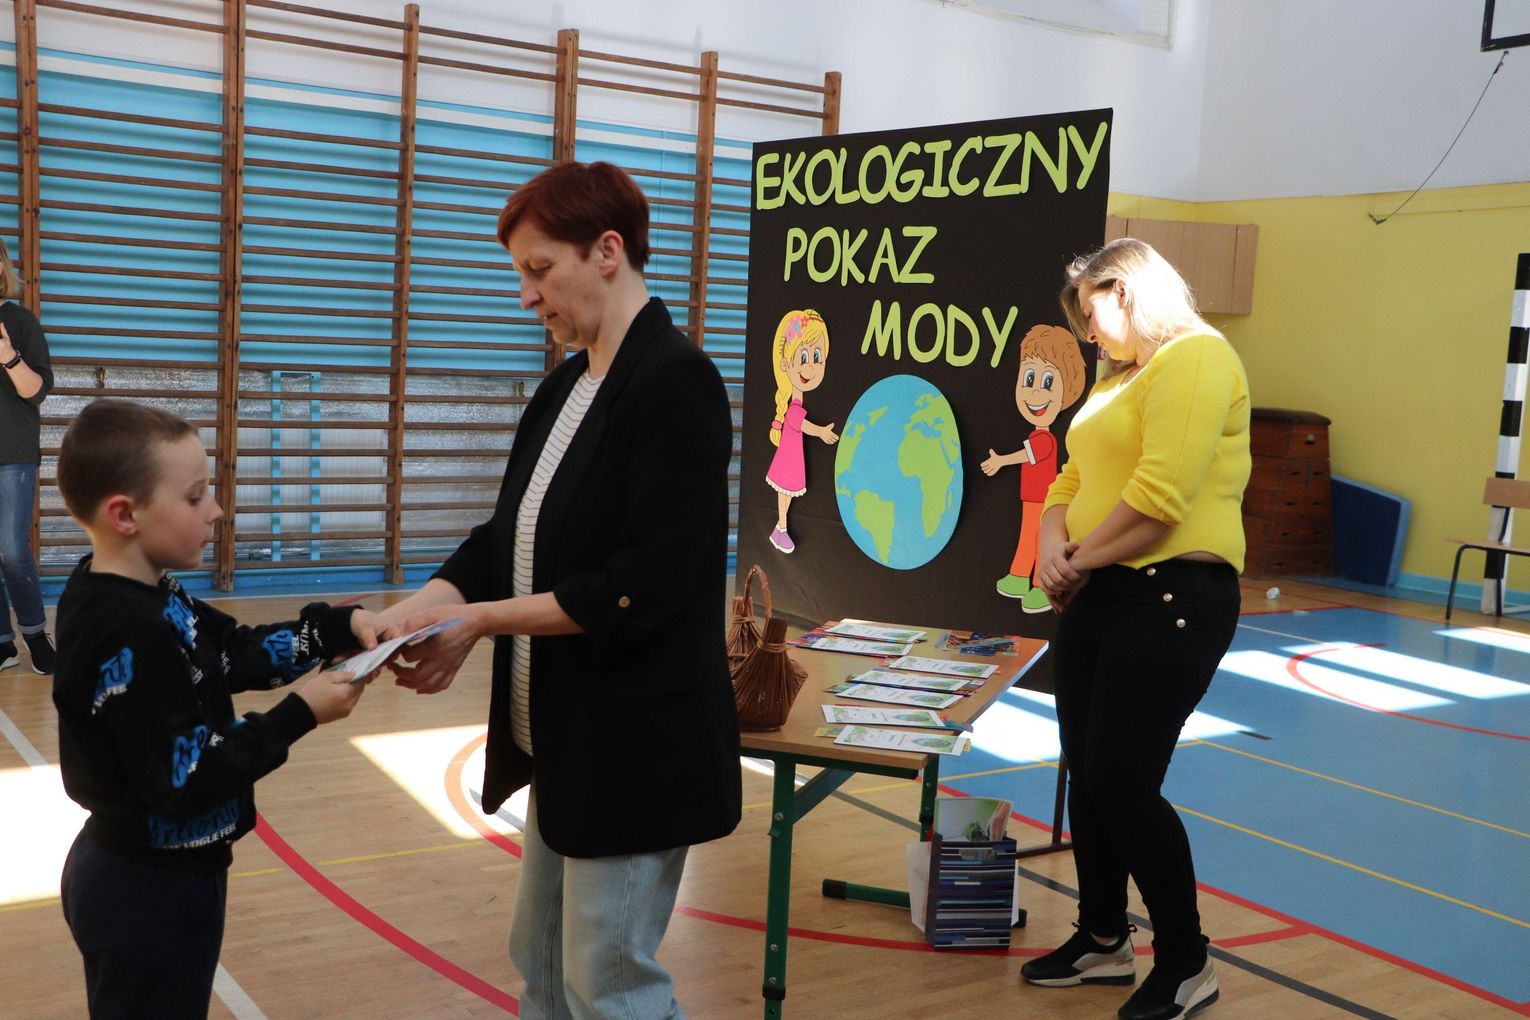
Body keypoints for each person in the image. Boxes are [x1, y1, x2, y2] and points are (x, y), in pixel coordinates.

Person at [380, 160, 741, 1020]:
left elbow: (639, 587)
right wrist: (416, 609)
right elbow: (505, 537)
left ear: (607, 252)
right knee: (542, 966)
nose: (526, 297)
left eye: (539, 270)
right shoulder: (565, 387)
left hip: (636, 750)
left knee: (607, 981)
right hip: (567, 742)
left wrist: (478, 621)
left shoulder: (676, 382)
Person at [52, 399, 386, 1019]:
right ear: (125, 514)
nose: (217, 510)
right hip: (147, 891)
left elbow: (229, 651)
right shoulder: (124, 627)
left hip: (164, 874)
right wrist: (301, 713)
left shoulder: (146, 591)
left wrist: (336, 628)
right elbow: (187, 780)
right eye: (196, 497)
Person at [1021, 238, 1250, 1020]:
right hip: (1101, 593)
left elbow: (1162, 497)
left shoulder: (1197, 357)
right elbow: (1071, 475)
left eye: (1091, 314)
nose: (1089, 333)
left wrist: (1075, 563)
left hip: (1170, 596)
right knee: (1088, 775)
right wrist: (1052, 544)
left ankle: (1186, 962)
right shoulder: (1119, 379)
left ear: (1125, 291)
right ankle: (1102, 936)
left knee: (1124, 782)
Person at [982, 323, 1087, 612]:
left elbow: (1027, 456)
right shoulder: (1036, 434)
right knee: (1028, 537)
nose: (1035, 392)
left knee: (1041, 539)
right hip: (1030, 497)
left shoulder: (1045, 439)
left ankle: (1041, 585)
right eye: (1029, 378)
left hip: (1044, 500)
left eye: (1048, 381)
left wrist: (1001, 460)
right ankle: (1019, 576)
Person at [0, 236, 56, 675]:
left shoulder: (20, 321)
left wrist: (8, 358)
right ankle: (3, 644)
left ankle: (35, 634)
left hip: (13, 453)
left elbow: (37, 392)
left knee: (10, 550)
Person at [765, 308, 837, 553]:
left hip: (792, 457)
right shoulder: (794, 408)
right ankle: (782, 528)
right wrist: (822, 432)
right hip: (789, 459)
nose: (812, 367)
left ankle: (780, 528)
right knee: (785, 492)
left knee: (786, 493)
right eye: (804, 357)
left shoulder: (796, 404)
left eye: (817, 356)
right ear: (786, 364)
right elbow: (801, 423)